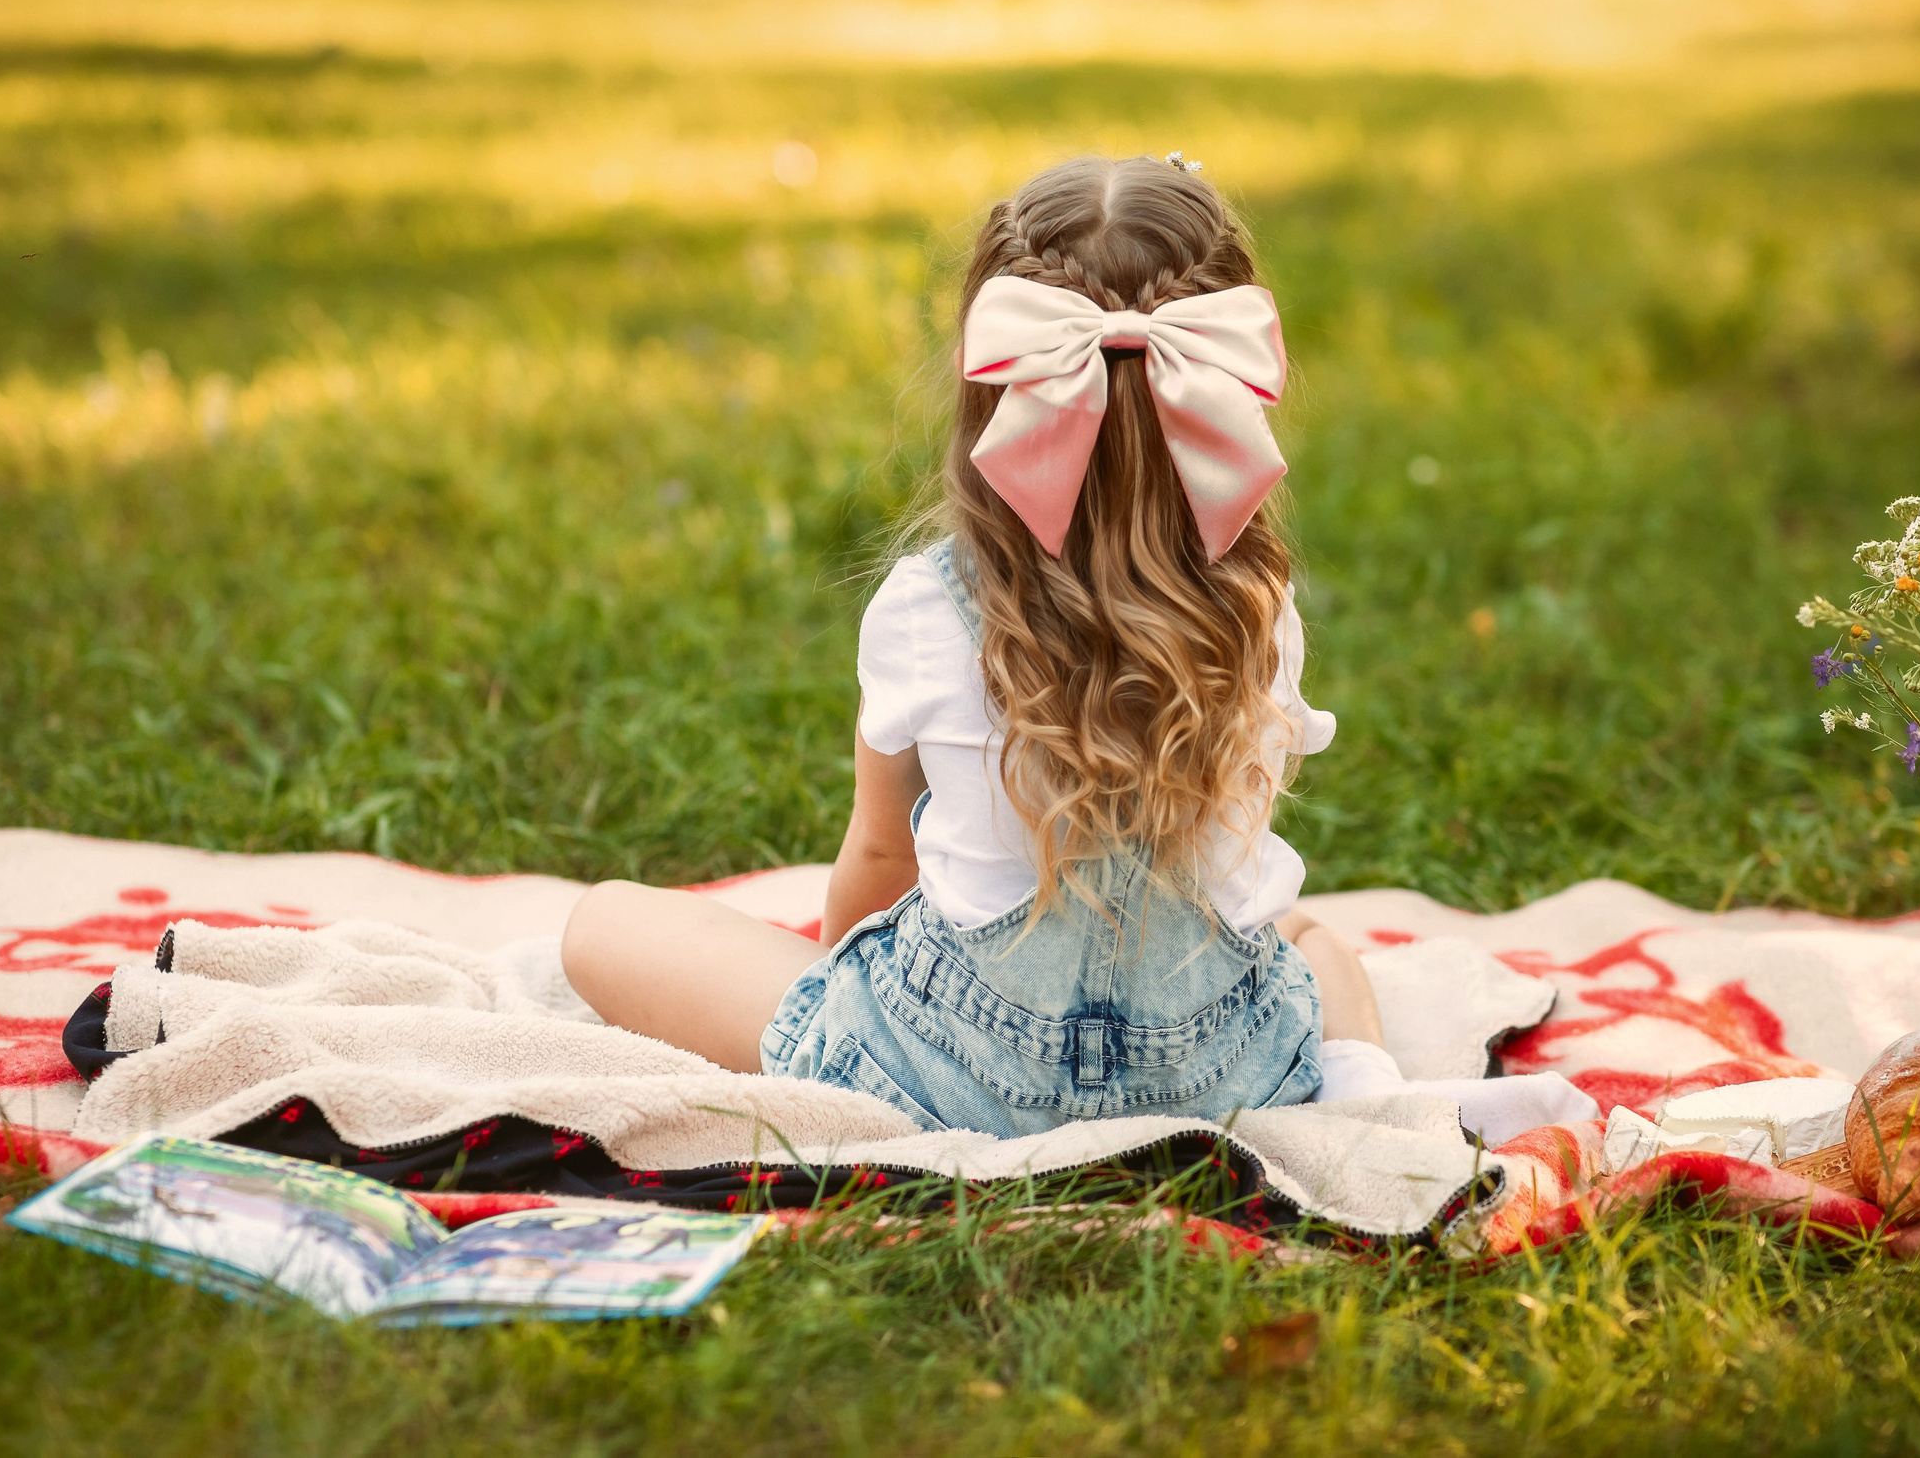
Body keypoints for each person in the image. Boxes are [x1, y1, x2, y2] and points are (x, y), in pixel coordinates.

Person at [562, 155, 1431, 1133]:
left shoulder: (925, 607)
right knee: (1310, 936)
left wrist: (852, 1018)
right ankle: (1365, 1102)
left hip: (952, 1082)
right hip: (1220, 1084)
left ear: (993, 386)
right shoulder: (1257, 605)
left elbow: (882, 853)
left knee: (603, 924)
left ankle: (880, 1074)